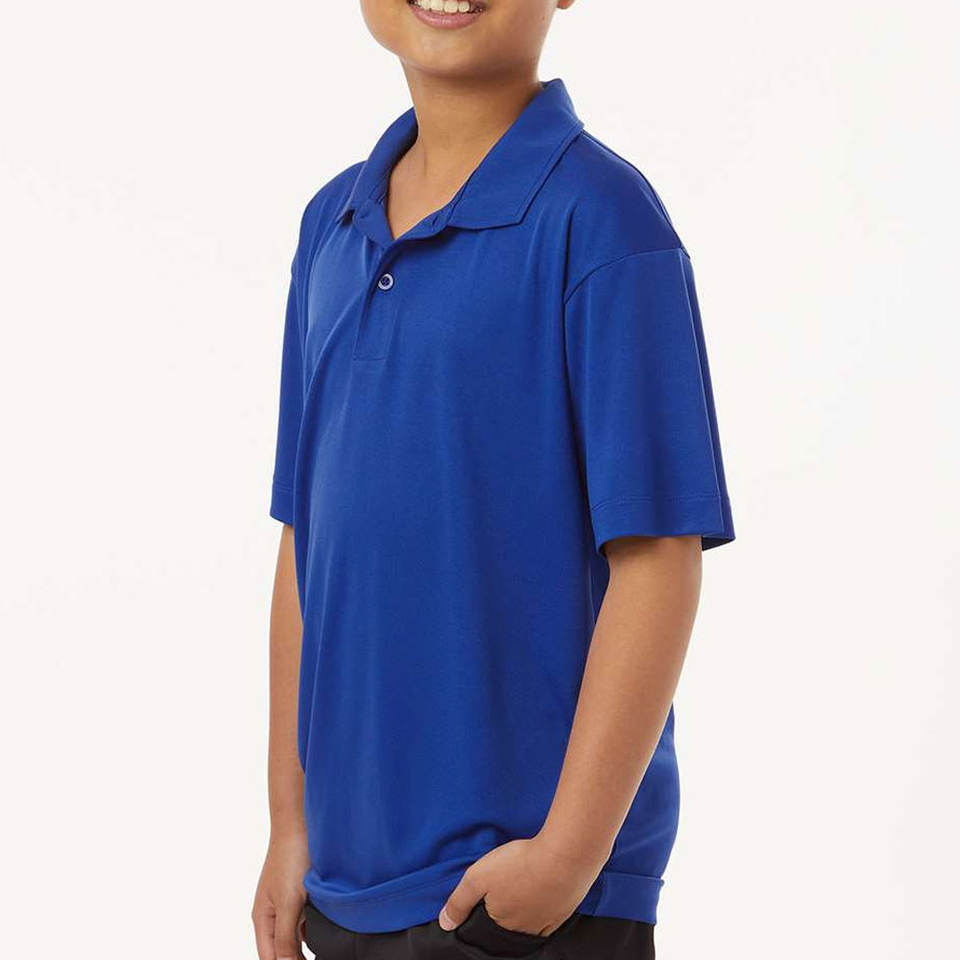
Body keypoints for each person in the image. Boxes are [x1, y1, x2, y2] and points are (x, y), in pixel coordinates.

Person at [253, 1, 735, 957]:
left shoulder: (604, 221)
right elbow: (306, 542)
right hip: (345, 887)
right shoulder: (330, 226)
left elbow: (659, 559)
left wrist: (567, 857)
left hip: (524, 900)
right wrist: (290, 825)